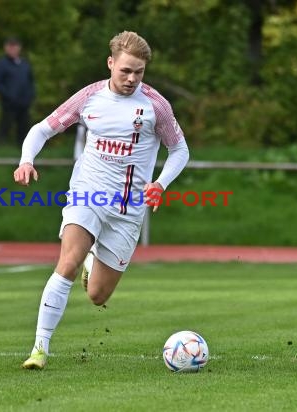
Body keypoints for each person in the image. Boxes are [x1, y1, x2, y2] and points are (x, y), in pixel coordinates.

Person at [13, 31, 190, 370]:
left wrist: (161, 183)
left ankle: (93, 261)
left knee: (98, 295)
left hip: (128, 210)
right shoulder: (89, 97)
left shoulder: (155, 106)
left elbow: (180, 150)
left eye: (138, 72)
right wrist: (26, 160)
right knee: (67, 263)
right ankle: (39, 349)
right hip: (88, 194)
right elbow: (42, 129)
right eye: (125, 70)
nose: (131, 78)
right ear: (110, 63)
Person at [0, 36, 35, 145]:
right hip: (9, 103)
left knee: (24, 128)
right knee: (5, 126)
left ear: (19, 48)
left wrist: (30, 95)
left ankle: (23, 150)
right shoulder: (1, 64)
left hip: (24, 103)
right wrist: (8, 95)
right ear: (5, 48)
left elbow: (30, 81)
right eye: (10, 47)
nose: (13, 49)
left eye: (15, 46)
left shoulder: (24, 64)